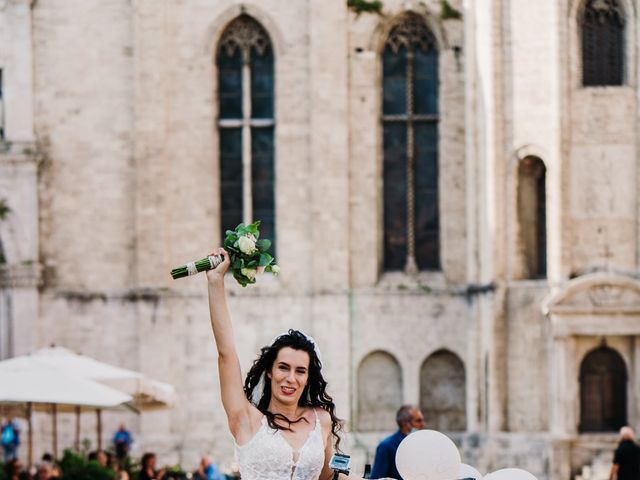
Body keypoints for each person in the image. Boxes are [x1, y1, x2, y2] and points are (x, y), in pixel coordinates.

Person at [206, 248, 356, 480]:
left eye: (300, 371)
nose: (290, 378)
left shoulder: (321, 421)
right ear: (269, 371)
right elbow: (226, 354)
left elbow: (329, 478)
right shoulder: (246, 419)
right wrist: (216, 282)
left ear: (308, 378)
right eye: (283, 367)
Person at [370, 405, 425, 480]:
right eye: (418, 421)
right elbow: (377, 477)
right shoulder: (386, 446)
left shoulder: (421, 444)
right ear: (405, 423)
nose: (423, 425)